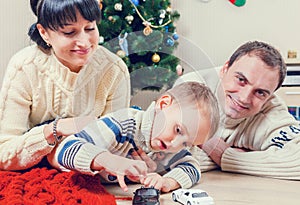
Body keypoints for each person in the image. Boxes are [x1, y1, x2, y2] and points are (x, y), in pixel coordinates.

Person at [0, 0, 130, 171]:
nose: (84, 42)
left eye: (90, 28)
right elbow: (4, 154)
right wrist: (54, 130)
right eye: (69, 32)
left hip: (90, 175)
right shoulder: (25, 67)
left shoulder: (113, 70)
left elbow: (116, 149)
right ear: (44, 32)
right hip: (30, 173)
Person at [47, 82, 220, 192]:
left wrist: (167, 181)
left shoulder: (171, 147)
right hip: (56, 142)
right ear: (163, 104)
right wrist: (109, 160)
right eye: (177, 130)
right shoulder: (124, 124)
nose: (175, 144)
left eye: (186, 143)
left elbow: (192, 168)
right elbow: (65, 148)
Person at [175, 40, 300, 180]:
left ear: (270, 96)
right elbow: (162, 155)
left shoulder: (271, 112)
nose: (244, 98)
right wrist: (252, 156)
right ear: (225, 69)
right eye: (241, 79)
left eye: (260, 92)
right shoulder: (189, 88)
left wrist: (225, 155)